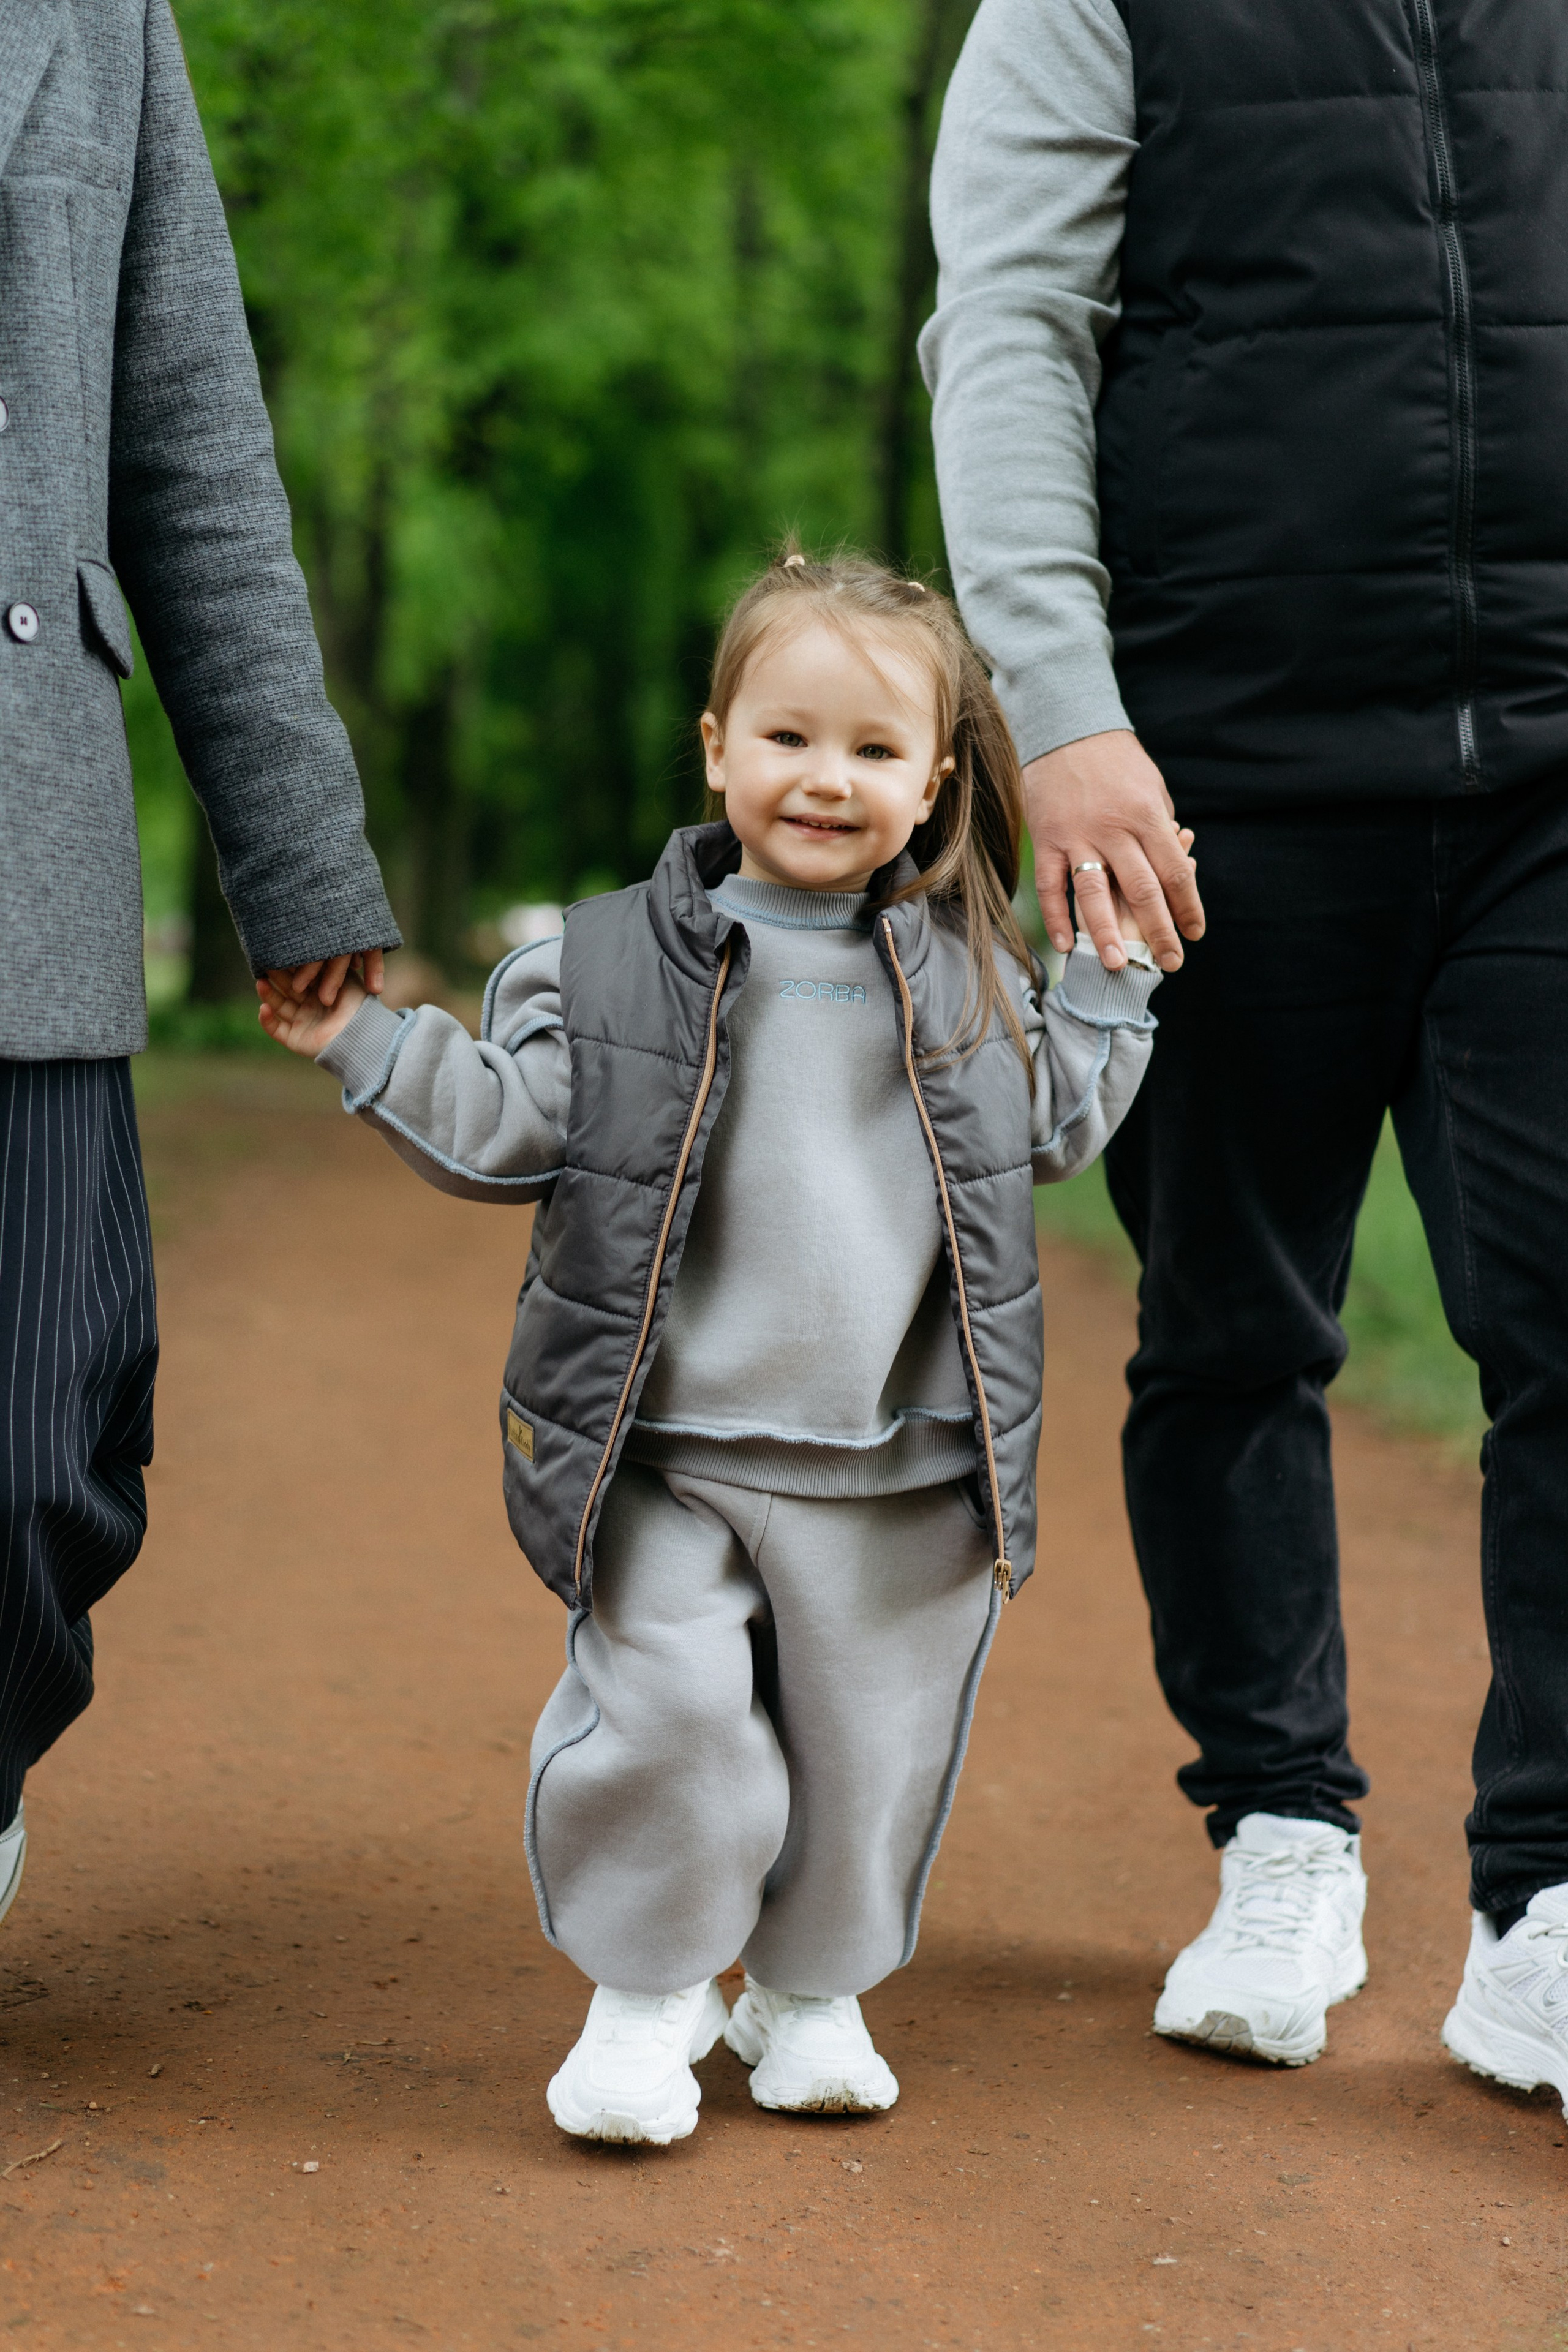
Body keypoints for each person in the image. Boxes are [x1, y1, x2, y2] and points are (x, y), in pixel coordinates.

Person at [258, 547, 1166, 2143]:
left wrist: (1112, 973)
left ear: (936, 777)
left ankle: (806, 1995)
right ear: (716, 746)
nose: (828, 778)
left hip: (899, 1470)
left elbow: (1058, 1129)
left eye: (876, 751)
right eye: (790, 737)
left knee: (865, 1750)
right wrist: (366, 1035)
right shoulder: (600, 964)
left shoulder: (968, 973)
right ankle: (645, 1996)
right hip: (670, 1458)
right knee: (673, 1718)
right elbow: (506, 1128)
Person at [921, 0, 1568, 2089]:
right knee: (1229, 1326)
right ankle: (1283, 1827)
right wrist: (1065, 713)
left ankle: (1545, 1903)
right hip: (1212, 770)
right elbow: (1009, 323)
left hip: (1553, 770)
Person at [0, 0, 396, 1930]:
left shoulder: (100, 18)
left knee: (37, 1444)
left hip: (24, 841)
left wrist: (297, 852)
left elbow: (192, 444)